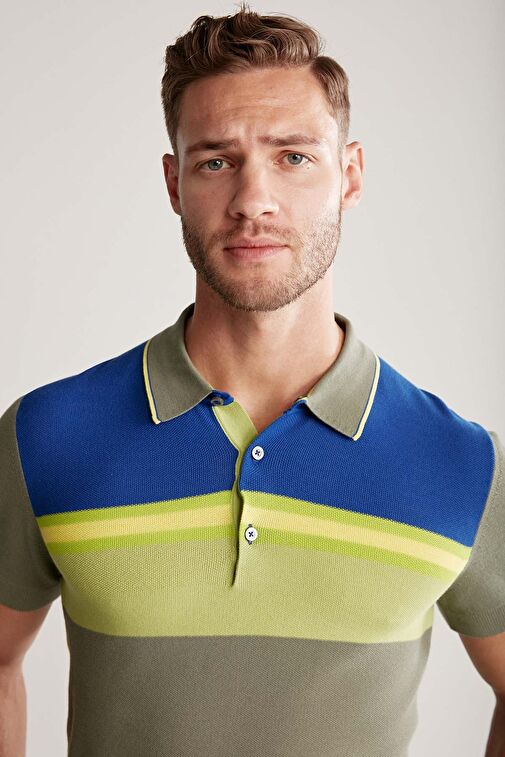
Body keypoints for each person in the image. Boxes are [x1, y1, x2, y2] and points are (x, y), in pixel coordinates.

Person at [1, 3, 504, 756]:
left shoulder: (464, 464)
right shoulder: (44, 437)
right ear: (174, 183)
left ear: (350, 175)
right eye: (216, 161)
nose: (252, 201)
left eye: (293, 157)